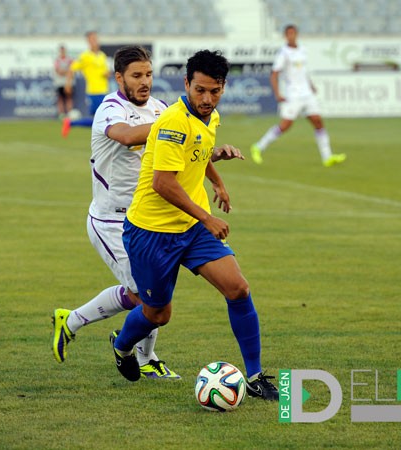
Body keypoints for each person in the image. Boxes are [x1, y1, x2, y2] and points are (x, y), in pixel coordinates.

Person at [52, 46, 243, 378]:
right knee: (146, 296)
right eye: (136, 75)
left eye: (148, 74)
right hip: (111, 219)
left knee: (154, 294)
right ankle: (77, 323)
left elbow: (187, 148)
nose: (144, 82)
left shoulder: (160, 108)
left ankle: (137, 352)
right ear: (119, 78)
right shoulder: (110, 109)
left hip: (151, 218)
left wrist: (216, 175)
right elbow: (126, 137)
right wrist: (169, 127)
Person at [110, 49, 279, 401]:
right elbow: (163, 182)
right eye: (199, 90)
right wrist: (208, 217)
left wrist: (217, 182)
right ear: (186, 83)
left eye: (214, 91)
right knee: (158, 313)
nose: (206, 99)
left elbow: (199, 153)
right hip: (151, 232)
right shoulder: (173, 120)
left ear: (222, 88)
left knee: (238, 289)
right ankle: (122, 346)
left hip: (191, 228)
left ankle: (255, 375)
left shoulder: (210, 116)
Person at [250, 24, 345, 168]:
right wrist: (277, 93)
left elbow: (304, 71)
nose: (291, 36)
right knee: (285, 125)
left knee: (318, 121)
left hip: (307, 93)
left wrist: (311, 85)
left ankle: (327, 157)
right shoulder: (284, 53)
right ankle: (258, 146)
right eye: (288, 33)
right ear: (285, 36)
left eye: (293, 33)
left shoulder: (302, 50)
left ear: (296, 34)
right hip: (293, 94)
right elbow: (274, 74)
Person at [61, 31, 110, 137]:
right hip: (93, 92)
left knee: (100, 120)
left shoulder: (102, 56)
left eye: (95, 39)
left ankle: (71, 123)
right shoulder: (85, 56)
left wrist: (107, 74)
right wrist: (68, 84)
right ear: (88, 41)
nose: (94, 41)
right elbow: (71, 69)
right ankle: (71, 123)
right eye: (92, 39)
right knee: (101, 120)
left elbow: (105, 72)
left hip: (104, 91)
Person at [53, 44, 74, 120]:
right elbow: (58, 71)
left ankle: (69, 113)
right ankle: (61, 114)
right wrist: (66, 71)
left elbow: (72, 70)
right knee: (60, 98)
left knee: (69, 98)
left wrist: (65, 71)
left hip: (68, 82)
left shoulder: (69, 59)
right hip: (60, 82)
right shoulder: (57, 60)